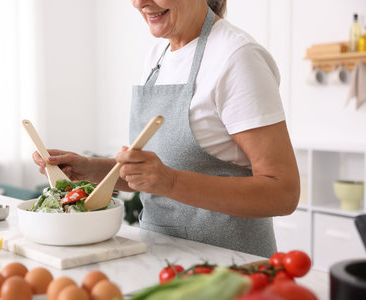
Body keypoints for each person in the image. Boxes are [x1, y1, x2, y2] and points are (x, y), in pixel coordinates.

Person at [33, 0, 300, 258]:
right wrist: (89, 168)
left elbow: (283, 192)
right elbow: (152, 176)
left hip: (230, 269)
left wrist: (171, 182)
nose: (139, 3)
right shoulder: (157, 58)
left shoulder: (237, 57)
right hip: (161, 260)